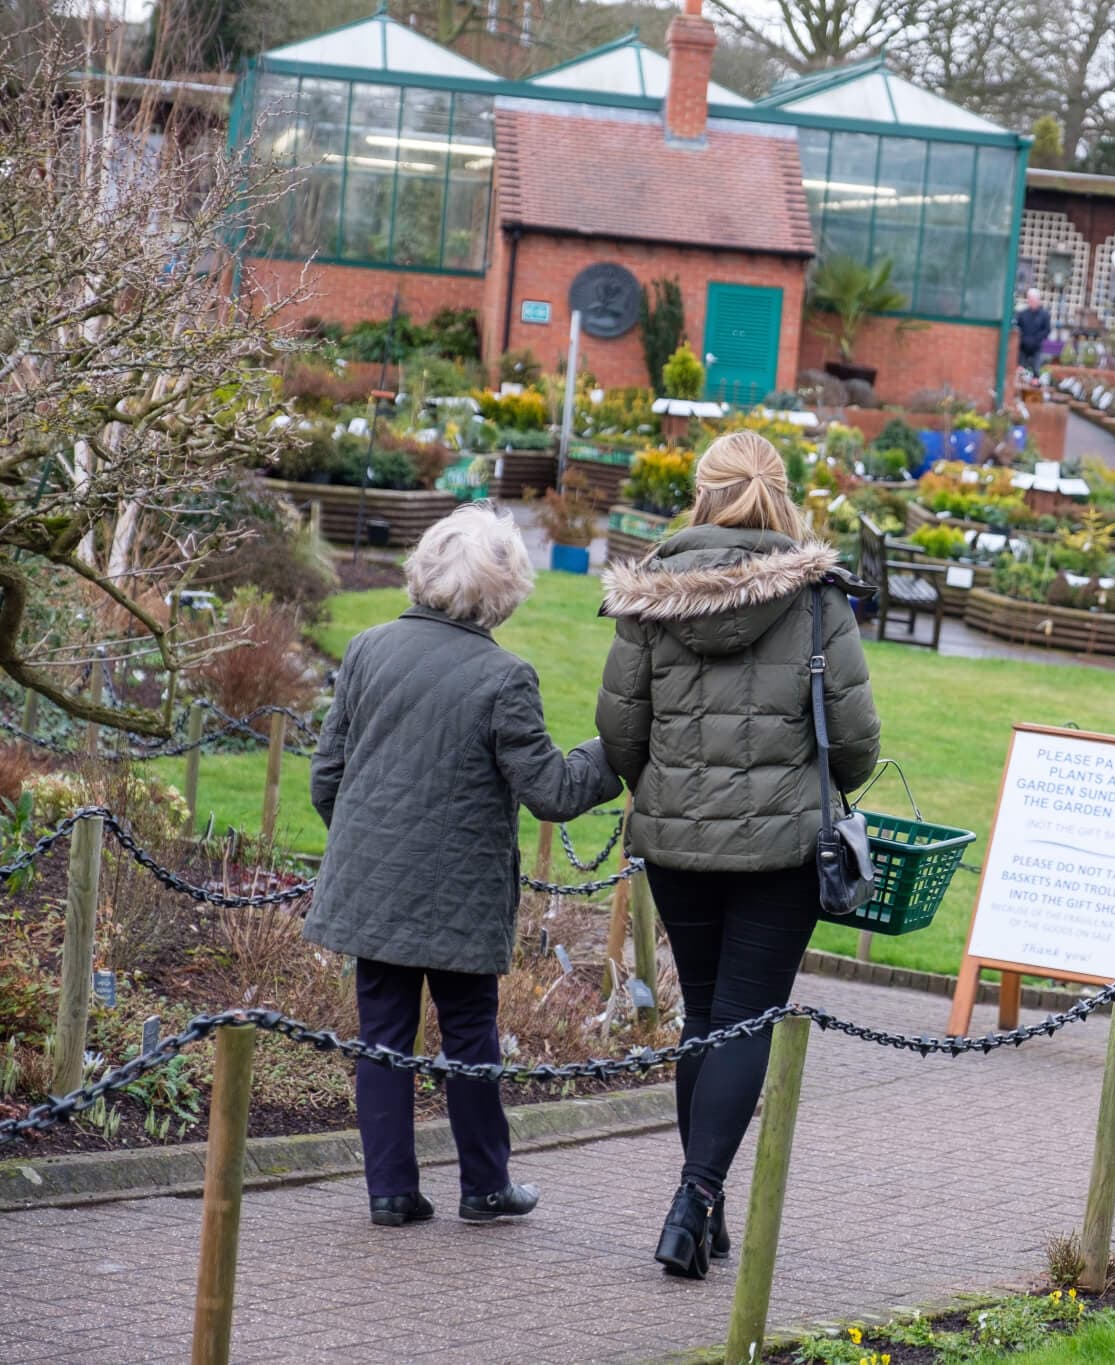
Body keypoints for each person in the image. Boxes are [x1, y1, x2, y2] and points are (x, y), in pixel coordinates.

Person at [596, 431, 880, 1279]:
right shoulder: (817, 598)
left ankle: (703, 1204)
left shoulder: (653, 596)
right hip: (782, 849)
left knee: (705, 1015)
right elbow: (857, 747)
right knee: (747, 1016)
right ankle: (693, 1201)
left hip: (678, 845)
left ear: (703, 493)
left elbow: (620, 734)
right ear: (780, 496)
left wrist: (677, 783)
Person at [305, 504, 620, 1229]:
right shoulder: (504, 676)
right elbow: (552, 791)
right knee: (469, 1032)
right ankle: (483, 1184)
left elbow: (328, 777)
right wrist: (616, 749)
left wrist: (369, 845)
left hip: (373, 886)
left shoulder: (367, 648)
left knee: (381, 1034)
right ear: (501, 590)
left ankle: (389, 1191)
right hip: (460, 896)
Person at [1015, 286, 1052, 376]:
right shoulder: (1022, 314)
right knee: (1021, 370)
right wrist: (1023, 338)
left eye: (1033, 300)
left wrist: (1036, 339)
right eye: (1029, 300)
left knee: (1036, 370)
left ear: (1038, 300)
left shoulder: (1044, 315)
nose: (1031, 302)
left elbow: (1047, 330)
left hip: (1036, 347)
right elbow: (1018, 328)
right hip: (1023, 348)